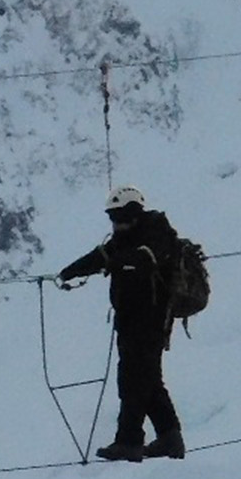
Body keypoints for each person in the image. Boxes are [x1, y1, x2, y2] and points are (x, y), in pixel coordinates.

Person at [57, 185, 186, 461]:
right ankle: (169, 437)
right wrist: (68, 272)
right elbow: (101, 257)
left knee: (133, 380)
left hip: (150, 319)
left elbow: (144, 259)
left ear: (134, 212)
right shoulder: (123, 238)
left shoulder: (156, 232)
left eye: (120, 216)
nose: (116, 223)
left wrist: (115, 262)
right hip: (130, 319)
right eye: (113, 217)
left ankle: (129, 441)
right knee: (148, 377)